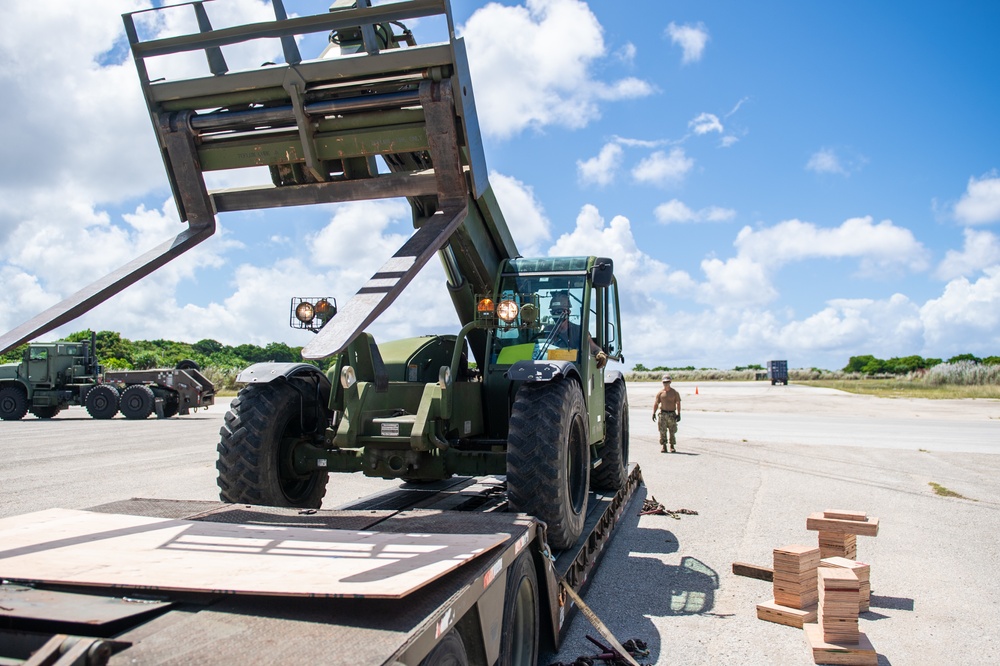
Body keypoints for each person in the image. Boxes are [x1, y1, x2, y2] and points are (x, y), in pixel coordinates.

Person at [547, 291, 607, 368]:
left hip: (574, 370)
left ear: (568, 312)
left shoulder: (579, 331)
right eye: (553, 312)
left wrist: (600, 353)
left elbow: (593, 347)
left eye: (559, 312)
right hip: (550, 368)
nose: (556, 315)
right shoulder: (547, 330)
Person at [652, 374, 681, 452]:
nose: (666, 383)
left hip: (672, 414)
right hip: (663, 414)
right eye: (664, 382)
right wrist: (653, 413)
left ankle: (672, 446)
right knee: (662, 431)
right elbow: (656, 403)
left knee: (672, 431)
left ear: (670, 382)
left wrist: (679, 414)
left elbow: (678, 403)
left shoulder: (675, 392)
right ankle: (664, 446)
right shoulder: (660, 393)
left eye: (667, 382)